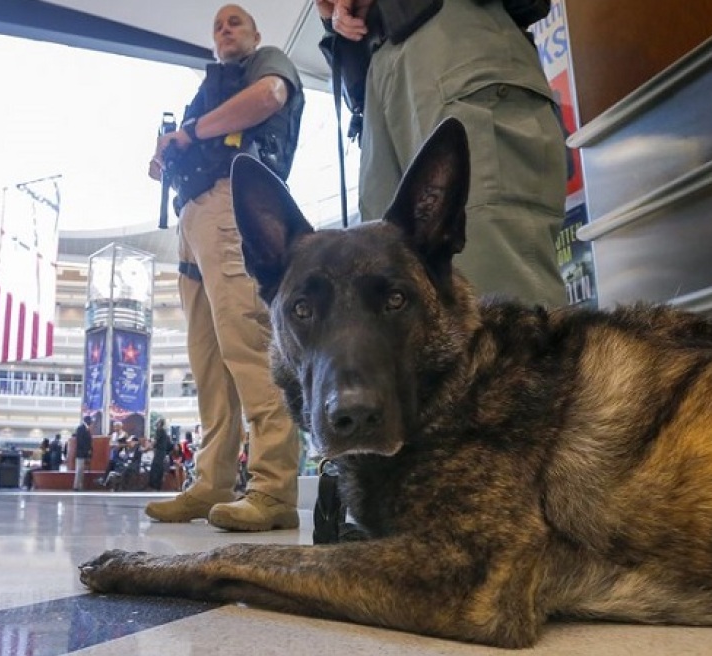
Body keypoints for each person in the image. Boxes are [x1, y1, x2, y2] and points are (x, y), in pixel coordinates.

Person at [144, 4, 304, 531]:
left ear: (255, 34)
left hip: (229, 207)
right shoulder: (211, 88)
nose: (226, 29)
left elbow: (270, 97)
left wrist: (188, 134)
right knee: (207, 362)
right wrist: (167, 155)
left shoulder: (266, 63)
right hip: (193, 219)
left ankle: (274, 490)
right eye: (218, 26)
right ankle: (211, 481)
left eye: (236, 21)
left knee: (247, 344)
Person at [317, 0, 566, 306]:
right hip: (377, 64)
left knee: (496, 285)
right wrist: (331, 14)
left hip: (452, 33)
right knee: (389, 298)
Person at [148, 417, 173, 491]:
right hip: (163, 452)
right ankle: (158, 485)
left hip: (159, 452)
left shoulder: (159, 430)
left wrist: (147, 448)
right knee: (160, 468)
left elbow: (155, 442)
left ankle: (154, 486)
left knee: (155, 468)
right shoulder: (164, 432)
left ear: (159, 423)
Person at [71, 416, 93, 492]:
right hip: (81, 453)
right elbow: (80, 441)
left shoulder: (87, 428)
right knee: (79, 469)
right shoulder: (80, 428)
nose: (91, 422)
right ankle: (76, 486)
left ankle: (80, 485)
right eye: (90, 421)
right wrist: (87, 450)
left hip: (84, 453)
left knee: (81, 470)